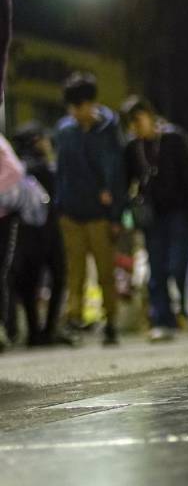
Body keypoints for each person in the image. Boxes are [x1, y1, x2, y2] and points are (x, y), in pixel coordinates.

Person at [121, 96, 188, 341]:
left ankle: (185, 310)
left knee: (177, 264)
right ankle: (162, 320)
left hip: (180, 211)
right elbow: (126, 183)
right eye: (131, 123)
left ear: (150, 115)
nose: (135, 127)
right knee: (156, 268)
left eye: (138, 120)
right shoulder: (132, 147)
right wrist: (123, 214)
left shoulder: (173, 139)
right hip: (152, 215)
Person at [55, 72, 125, 345]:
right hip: (70, 213)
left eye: (77, 107)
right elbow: (61, 171)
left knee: (105, 271)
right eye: (70, 108)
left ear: (89, 104)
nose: (73, 113)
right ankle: (73, 320)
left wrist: (116, 213)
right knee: (75, 272)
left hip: (99, 213)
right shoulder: (65, 131)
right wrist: (60, 205)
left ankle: (111, 322)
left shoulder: (108, 129)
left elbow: (116, 173)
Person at [9, 124, 73, 347]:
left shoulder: (18, 167)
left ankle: (34, 332)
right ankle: (48, 330)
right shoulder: (44, 168)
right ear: (36, 141)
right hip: (48, 233)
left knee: (29, 283)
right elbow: (58, 199)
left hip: (24, 234)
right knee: (59, 277)